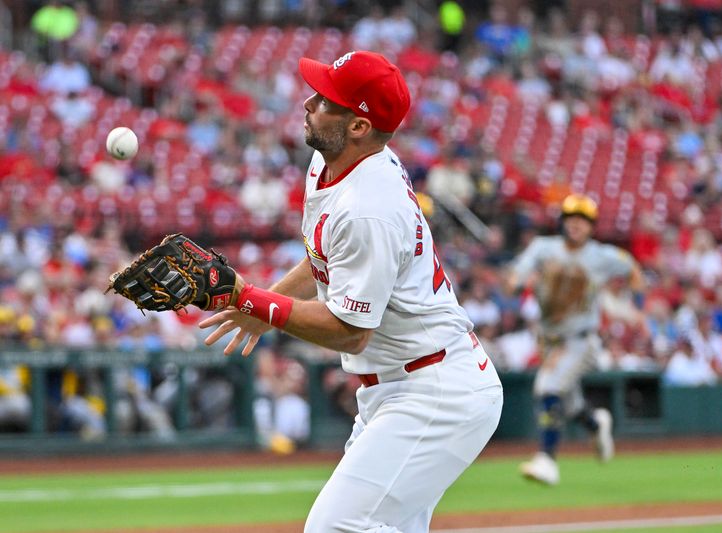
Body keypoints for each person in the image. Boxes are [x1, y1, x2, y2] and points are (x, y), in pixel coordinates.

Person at [199, 51, 503, 532]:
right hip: (399, 385)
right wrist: (260, 303)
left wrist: (250, 298)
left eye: (325, 99)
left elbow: (351, 331)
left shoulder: (369, 207)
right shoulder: (334, 165)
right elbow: (323, 259)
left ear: (359, 126)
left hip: (435, 389)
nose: (308, 101)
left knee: (334, 527)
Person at [503, 194, 645, 486]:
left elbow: (632, 270)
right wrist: (518, 283)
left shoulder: (601, 255)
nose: (576, 225)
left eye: (583, 220)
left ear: (591, 226)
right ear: (563, 223)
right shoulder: (544, 248)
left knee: (548, 388)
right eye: (571, 219)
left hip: (581, 339)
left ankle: (547, 459)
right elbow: (517, 274)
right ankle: (596, 423)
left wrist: (632, 305)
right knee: (568, 405)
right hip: (550, 340)